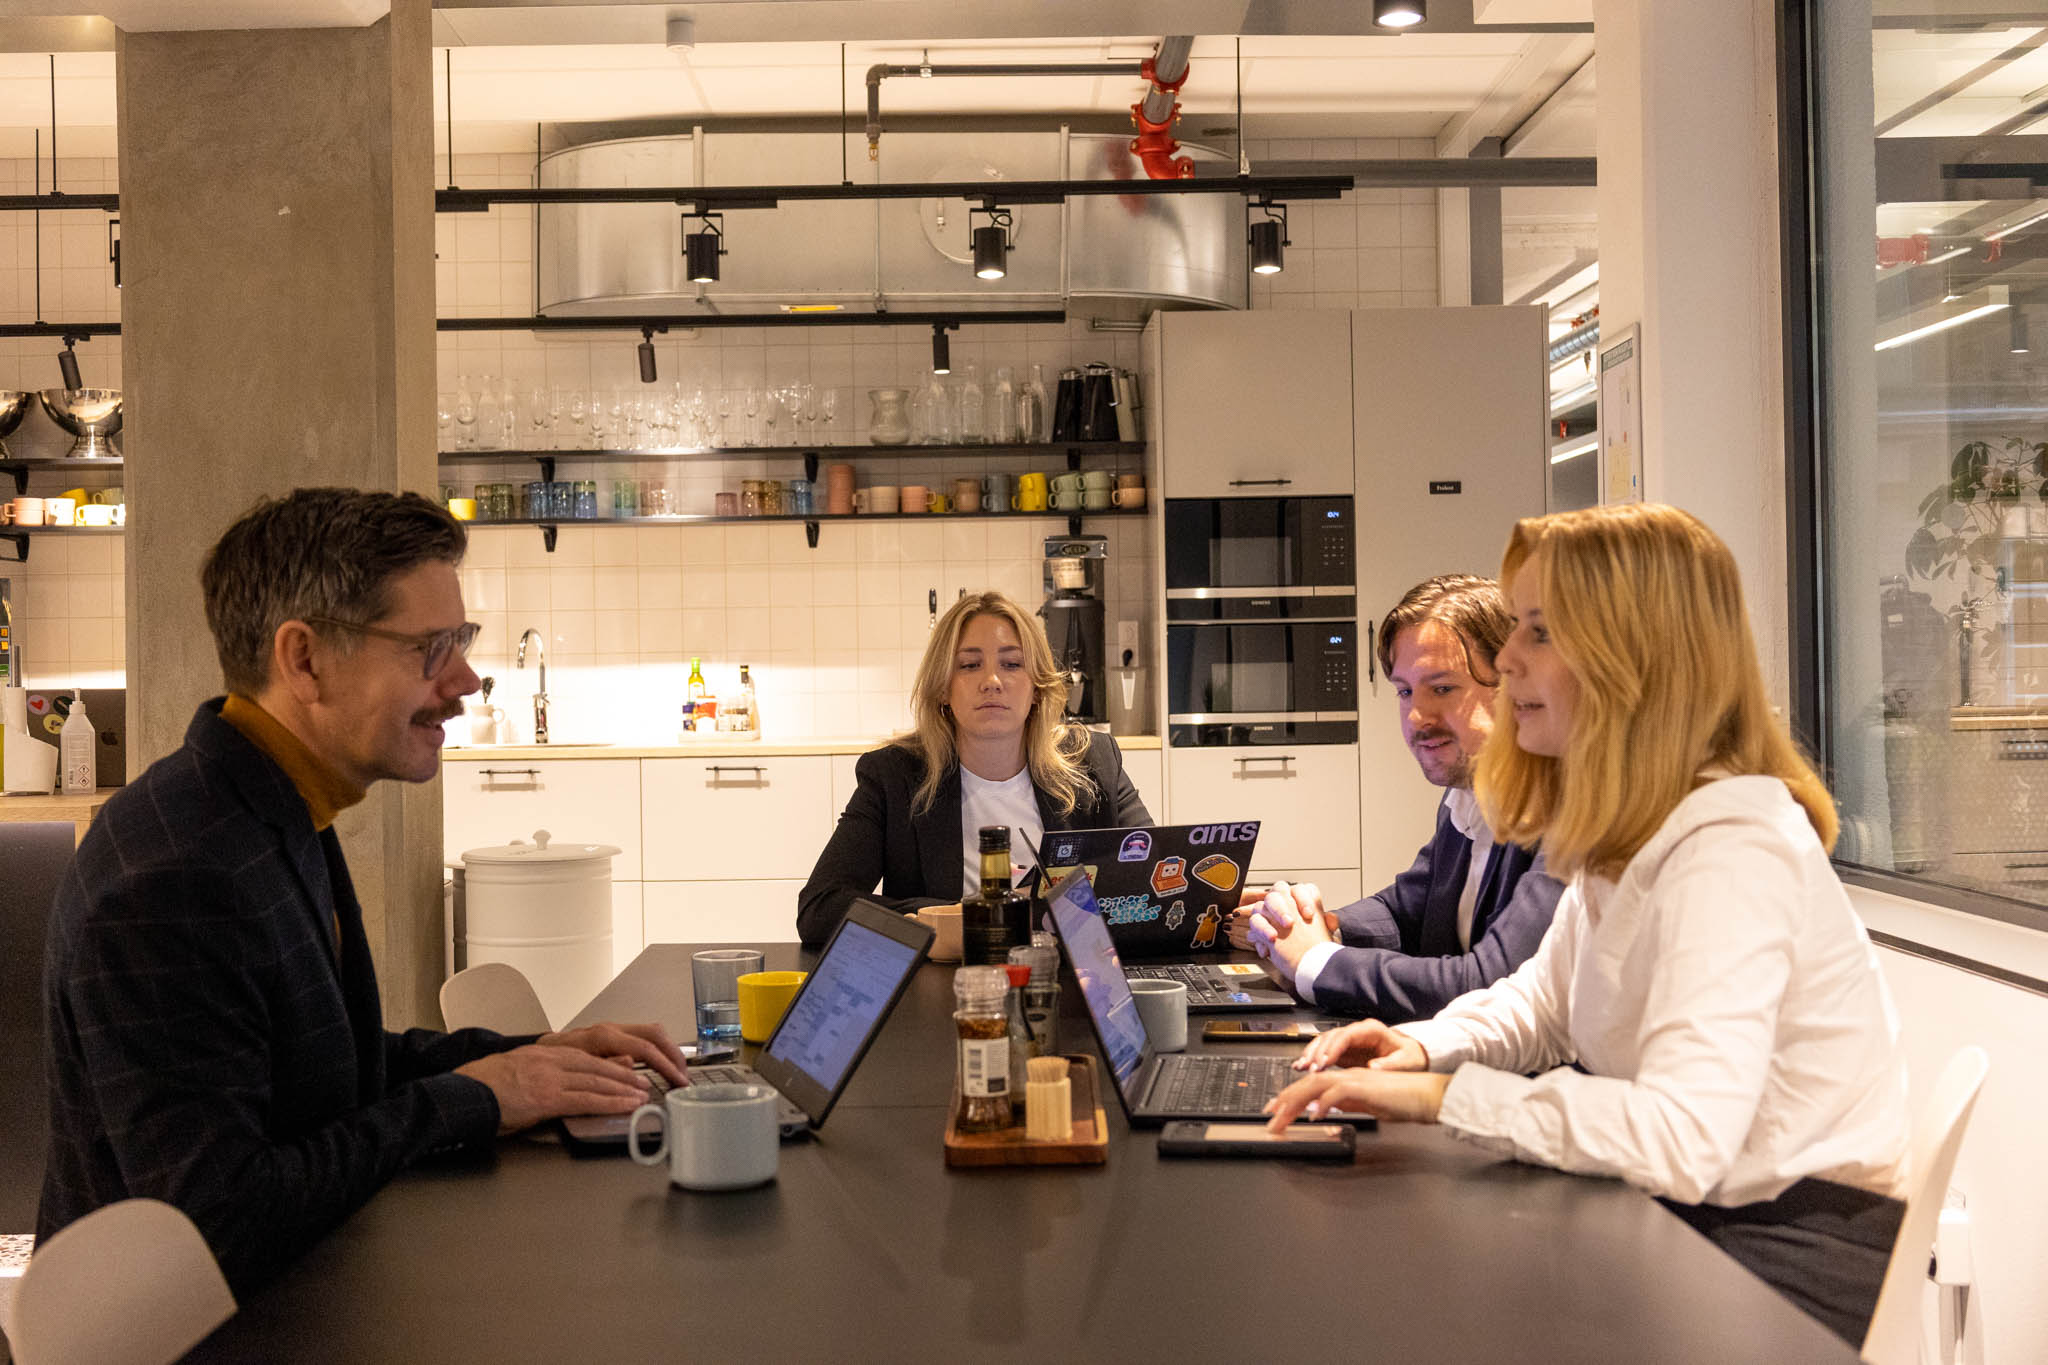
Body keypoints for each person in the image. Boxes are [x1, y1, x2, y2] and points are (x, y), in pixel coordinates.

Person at [1265, 504, 1910, 1346]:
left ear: (1629, 660)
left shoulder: (1728, 849)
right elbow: (1542, 1002)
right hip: (1706, 1215)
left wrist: (1441, 1097)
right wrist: (1421, 1047)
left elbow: (1681, 1138)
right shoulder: (1638, 827)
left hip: (1784, 1256)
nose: (1506, 660)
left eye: (1537, 631)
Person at [38, 488, 688, 1294]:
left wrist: (524, 1058)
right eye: (432, 646)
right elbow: (219, 1223)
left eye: (465, 639)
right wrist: (472, 1099)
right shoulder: (175, 878)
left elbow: (321, 1070)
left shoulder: (270, 804)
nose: (467, 678)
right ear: (304, 659)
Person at [1236, 574, 1563, 1022]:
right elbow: (1406, 910)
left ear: (1514, 687)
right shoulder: (1464, 796)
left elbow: (1492, 983)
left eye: (1443, 688)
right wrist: (1308, 923)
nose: (1417, 717)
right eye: (1405, 691)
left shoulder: (1567, 808)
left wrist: (1315, 960)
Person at [798, 590, 1151, 946]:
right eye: (969, 665)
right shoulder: (894, 776)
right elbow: (820, 909)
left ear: (1037, 689)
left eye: (1012, 664)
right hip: (948, 990)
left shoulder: (1093, 761)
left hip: (1070, 983)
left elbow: (1155, 879)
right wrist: (953, 919)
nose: (992, 681)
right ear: (943, 690)